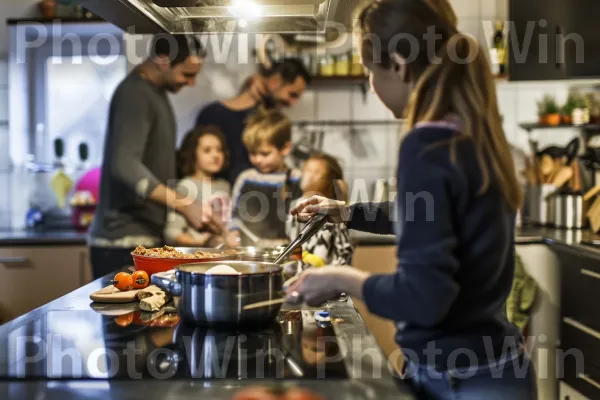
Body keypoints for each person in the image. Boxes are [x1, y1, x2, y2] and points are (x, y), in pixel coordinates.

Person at [286, 0, 537, 398]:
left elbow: (422, 299)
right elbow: (429, 216)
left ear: (399, 63)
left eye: (371, 70)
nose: (371, 82)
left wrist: (339, 279)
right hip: (497, 372)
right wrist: (345, 213)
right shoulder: (471, 130)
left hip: (461, 383)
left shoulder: (425, 145)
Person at [89, 35, 220, 279]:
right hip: (121, 242)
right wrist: (184, 204)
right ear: (162, 59)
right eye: (187, 74)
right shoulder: (135, 94)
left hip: (141, 239)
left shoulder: (154, 94)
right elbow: (124, 165)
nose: (191, 83)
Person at [195, 59, 311, 185]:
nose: (292, 103)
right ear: (275, 81)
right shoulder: (212, 114)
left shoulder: (269, 121)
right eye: (292, 94)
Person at [227, 109, 302, 247]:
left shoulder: (297, 178)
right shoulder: (246, 178)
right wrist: (233, 231)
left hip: (286, 249)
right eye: (253, 153)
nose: (258, 159)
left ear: (285, 148)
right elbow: (235, 213)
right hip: (249, 249)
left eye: (265, 153)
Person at [285, 153, 354, 275]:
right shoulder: (295, 206)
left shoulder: (332, 212)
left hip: (326, 282)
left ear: (330, 181)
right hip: (300, 279)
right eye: (307, 170)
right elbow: (293, 243)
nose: (309, 176)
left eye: (316, 172)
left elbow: (345, 254)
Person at [164, 125, 231, 247]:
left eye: (219, 149)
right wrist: (203, 242)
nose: (216, 155)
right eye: (207, 150)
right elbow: (172, 233)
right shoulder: (187, 186)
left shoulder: (225, 185)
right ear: (193, 154)